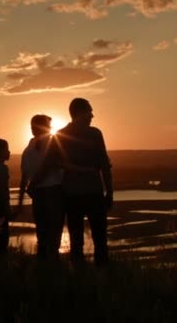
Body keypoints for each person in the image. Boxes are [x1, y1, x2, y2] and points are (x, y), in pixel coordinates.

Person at [56, 98, 113, 266]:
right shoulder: (94, 133)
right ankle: (98, 275)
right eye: (89, 111)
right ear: (79, 113)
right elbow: (104, 165)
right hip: (89, 193)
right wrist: (109, 193)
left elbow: (57, 163)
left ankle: (81, 277)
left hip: (74, 194)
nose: (92, 115)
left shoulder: (61, 134)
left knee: (78, 241)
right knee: (98, 239)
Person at [18, 114, 64, 259]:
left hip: (37, 194)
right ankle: (53, 264)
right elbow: (49, 166)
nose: (51, 129)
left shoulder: (27, 149)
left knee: (42, 230)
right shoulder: (52, 144)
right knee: (54, 230)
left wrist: (21, 199)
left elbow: (24, 176)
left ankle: (44, 262)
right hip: (53, 191)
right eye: (49, 126)